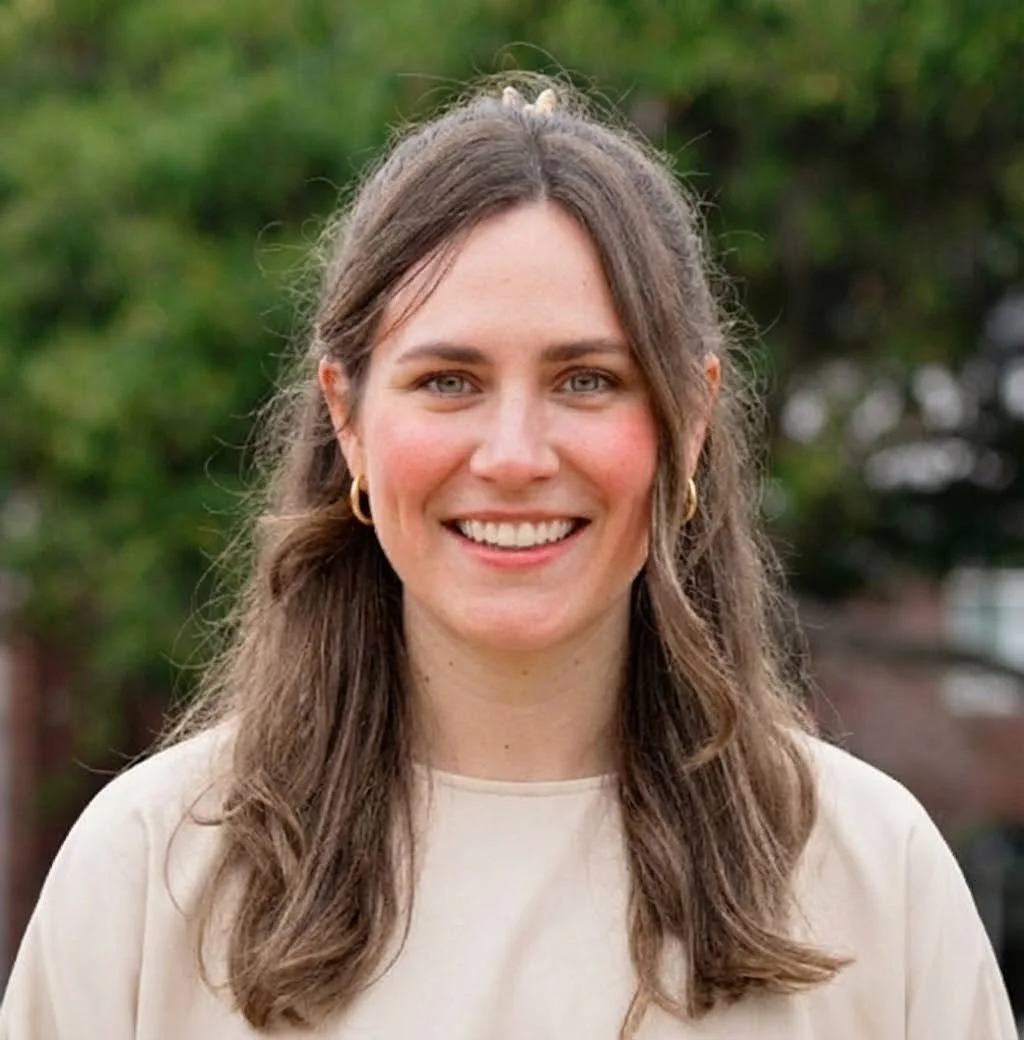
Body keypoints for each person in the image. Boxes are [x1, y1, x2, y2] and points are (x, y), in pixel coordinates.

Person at [0, 78, 1016, 1040]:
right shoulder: (151, 873)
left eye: (586, 379)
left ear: (690, 418)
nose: (516, 456)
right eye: (448, 380)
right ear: (348, 420)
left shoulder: (870, 879)